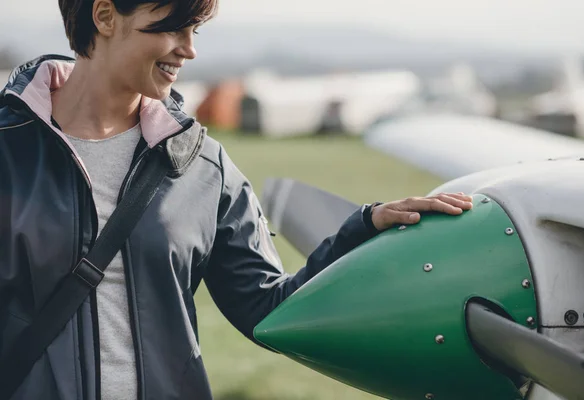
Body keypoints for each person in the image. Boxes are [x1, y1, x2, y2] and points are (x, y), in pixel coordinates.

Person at [0, 1, 473, 399]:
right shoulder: (8, 150)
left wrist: (364, 230)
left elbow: (268, 307)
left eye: (195, 29)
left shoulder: (203, 166)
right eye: (173, 27)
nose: (189, 49)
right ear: (104, 15)